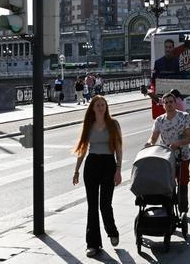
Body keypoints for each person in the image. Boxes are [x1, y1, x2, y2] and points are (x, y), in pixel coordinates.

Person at [72, 95, 123, 258]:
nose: (101, 108)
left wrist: (118, 169)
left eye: (103, 105)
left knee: (105, 204)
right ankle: (92, 244)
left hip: (108, 164)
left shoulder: (113, 124)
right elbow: (83, 149)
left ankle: (112, 231)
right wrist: (76, 170)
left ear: (106, 107)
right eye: (98, 105)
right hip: (92, 164)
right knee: (92, 206)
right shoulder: (89, 125)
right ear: (93, 108)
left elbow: (119, 148)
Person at [145, 92, 190, 215]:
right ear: (163, 105)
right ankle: (168, 209)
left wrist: (178, 143)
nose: (168, 104)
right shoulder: (159, 120)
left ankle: (183, 210)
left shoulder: (184, 116)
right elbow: (153, 137)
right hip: (166, 158)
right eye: (166, 102)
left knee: (182, 183)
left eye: (171, 101)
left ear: (175, 103)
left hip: (182, 156)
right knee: (167, 185)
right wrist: (150, 143)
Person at [168, 89, 190, 177]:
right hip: (183, 128)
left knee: (186, 151)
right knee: (185, 150)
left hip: (182, 129)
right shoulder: (180, 100)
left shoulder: (177, 102)